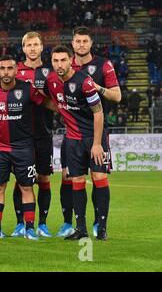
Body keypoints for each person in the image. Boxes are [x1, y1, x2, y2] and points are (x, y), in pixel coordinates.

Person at [55, 26, 121, 238]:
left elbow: (117, 96)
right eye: (77, 41)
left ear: (91, 43)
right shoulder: (65, 64)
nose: (81, 45)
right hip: (72, 134)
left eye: (85, 41)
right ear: (72, 43)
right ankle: (74, 225)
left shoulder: (103, 65)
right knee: (72, 178)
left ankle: (101, 226)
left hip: (96, 132)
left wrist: (97, 87)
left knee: (99, 175)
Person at [43, 45, 111, 240]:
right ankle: (81, 229)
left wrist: (97, 144)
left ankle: (102, 227)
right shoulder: (51, 81)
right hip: (73, 140)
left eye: (63, 60)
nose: (59, 64)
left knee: (99, 178)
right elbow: (54, 102)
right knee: (77, 181)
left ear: (71, 60)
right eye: (55, 61)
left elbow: (98, 112)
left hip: (93, 138)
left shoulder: (85, 82)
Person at [0, 55, 55, 241]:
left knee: (27, 187)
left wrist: (67, 107)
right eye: (3, 68)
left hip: (23, 148)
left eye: (10, 68)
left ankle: (29, 228)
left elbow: (46, 102)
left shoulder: (28, 89)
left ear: (17, 70)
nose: (6, 72)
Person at [13, 32, 54, 238]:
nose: (32, 48)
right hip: (20, 134)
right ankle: (20, 223)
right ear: (23, 48)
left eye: (36, 44)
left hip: (44, 132)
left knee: (44, 178)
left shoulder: (51, 70)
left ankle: (43, 223)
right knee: (20, 180)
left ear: (41, 47)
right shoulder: (15, 70)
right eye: (28, 45)